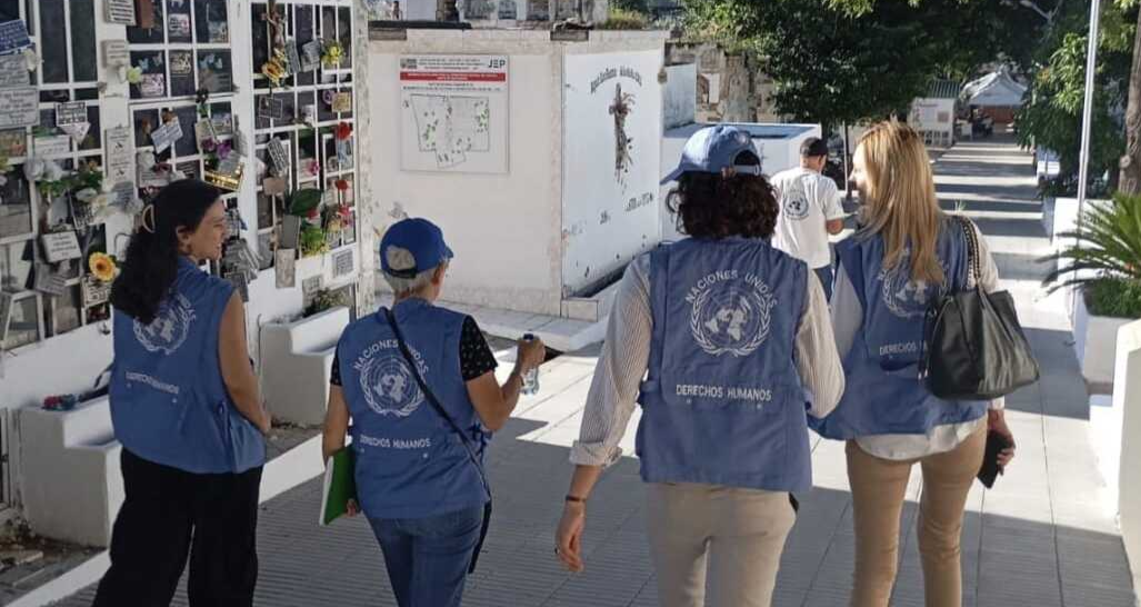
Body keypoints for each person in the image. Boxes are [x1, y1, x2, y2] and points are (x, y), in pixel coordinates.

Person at [554, 125, 845, 607]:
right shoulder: (796, 279)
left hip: (676, 480)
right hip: (763, 480)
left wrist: (576, 499)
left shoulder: (651, 274)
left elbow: (615, 391)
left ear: (689, 196)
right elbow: (827, 395)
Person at [810, 122, 1016, 607]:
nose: (852, 179)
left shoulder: (859, 253)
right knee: (944, 548)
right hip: (960, 420)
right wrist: (996, 414)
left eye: (859, 170)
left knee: (876, 567)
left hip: (880, 428)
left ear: (884, 176)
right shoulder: (967, 236)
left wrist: (813, 410)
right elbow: (992, 329)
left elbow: (837, 345)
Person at [321, 218, 545, 607]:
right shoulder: (459, 331)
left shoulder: (353, 337)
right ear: (439, 273)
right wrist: (522, 367)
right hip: (448, 500)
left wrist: (343, 490)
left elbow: (332, 434)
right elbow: (494, 415)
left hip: (380, 499)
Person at [94, 179, 270, 607]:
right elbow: (238, 382)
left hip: (147, 444)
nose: (225, 231)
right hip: (214, 455)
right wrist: (263, 420)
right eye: (216, 224)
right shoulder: (218, 296)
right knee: (222, 579)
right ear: (182, 234)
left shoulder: (129, 285)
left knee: (141, 571)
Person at [771, 137, 846, 301]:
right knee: (820, 313)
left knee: (784, 310)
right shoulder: (826, 185)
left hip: (782, 262)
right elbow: (834, 227)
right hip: (816, 264)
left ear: (802, 156)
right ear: (821, 159)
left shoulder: (777, 180)